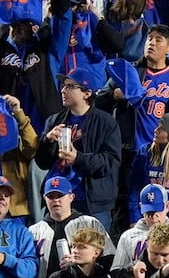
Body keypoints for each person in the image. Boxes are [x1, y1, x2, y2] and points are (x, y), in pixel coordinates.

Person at [36, 71, 122, 229]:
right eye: (63, 86)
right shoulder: (54, 120)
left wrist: (78, 158)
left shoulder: (105, 122)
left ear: (87, 93)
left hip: (91, 203)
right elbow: (42, 162)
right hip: (58, 197)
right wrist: (47, 140)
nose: (63, 90)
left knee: (94, 251)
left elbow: (110, 162)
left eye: (70, 87)